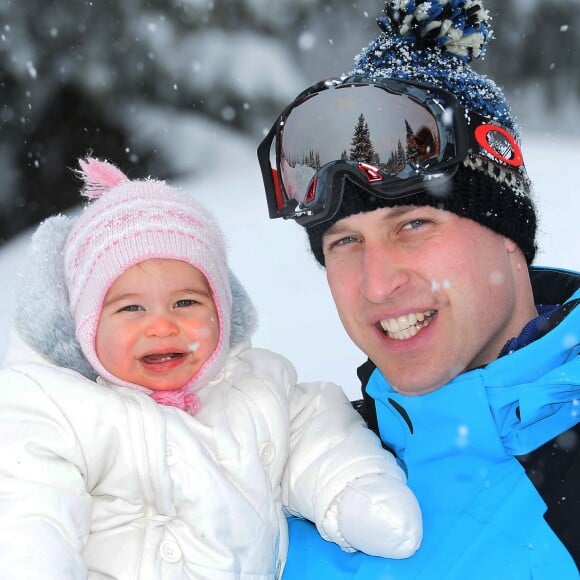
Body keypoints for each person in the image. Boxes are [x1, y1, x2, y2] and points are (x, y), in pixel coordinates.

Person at [258, 0, 580, 577]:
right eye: (343, 243)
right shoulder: (298, 483)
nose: (377, 285)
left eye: (413, 226)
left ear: (507, 236)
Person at [0, 157, 423, 578]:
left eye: (186, 302)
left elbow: (318, 433)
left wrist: (353, 490)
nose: (162, 325)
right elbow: (30, 506)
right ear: (88, 325)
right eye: (131, 308)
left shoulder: (256, 387)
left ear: (221, 310)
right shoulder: (58, 407)